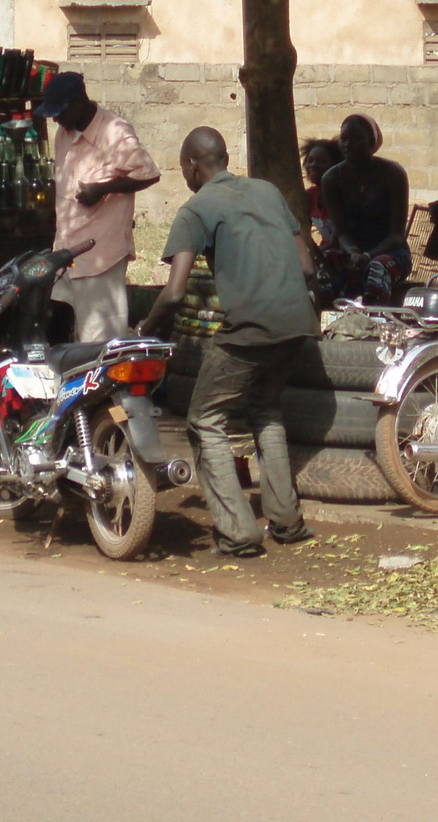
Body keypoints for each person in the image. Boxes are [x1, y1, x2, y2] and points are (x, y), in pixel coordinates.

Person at [136, 127, 317, 556]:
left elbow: (175, 292)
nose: (184, 176)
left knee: (204, 419)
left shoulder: (196, 208)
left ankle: (238, 533)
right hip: (298, 323)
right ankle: (287, 523)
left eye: (183, 168)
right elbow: (307, 266)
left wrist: (147, 328)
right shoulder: (268, 192)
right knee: (265, 409)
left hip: (250, 330)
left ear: (194, 166)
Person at [33, 71, 160, 343]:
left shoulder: (115, 132)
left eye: (60, 112)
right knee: (59, 336)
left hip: (101, 255)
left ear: (80, 102)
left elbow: (149, 173)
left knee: (98, 342)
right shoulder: (63, 133)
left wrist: (104, 188)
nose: (56, 119)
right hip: (66, 256)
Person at [318, 113, 410, 306]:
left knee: (377, 268)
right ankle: (325, 322)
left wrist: (368, 255)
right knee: (322, 266)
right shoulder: (332, 179)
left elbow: (396, 235)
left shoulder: (393, 174)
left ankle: (375, 325)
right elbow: (341, 232)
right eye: (344, 139)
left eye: (356, 139)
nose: (348, 144)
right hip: (351, 251)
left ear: (371, 142)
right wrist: (353, 252)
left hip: (390, 251)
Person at [300, 136, 342, 250]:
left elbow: (336, 242)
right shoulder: (310, 196)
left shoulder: (342, 195)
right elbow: (302, 232)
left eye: (322, 161)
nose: (313, 165)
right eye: (310, 160)